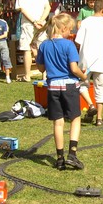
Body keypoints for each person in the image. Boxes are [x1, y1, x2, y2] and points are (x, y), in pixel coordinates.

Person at [36, 13, 89, 170]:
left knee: (58, 123)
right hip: (69, 86)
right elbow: (74, 68)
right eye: (70, 30)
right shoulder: (68, 45)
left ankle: (59, 158)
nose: (70, 33)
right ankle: (72, 155)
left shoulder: (44, 45)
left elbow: (41, 68)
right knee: (75, 118)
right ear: (64, 28)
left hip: (53, 87)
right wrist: (84, 76)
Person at [14, 0, 50, 82]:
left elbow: (22, 10)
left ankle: (27, 75)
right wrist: (41, 20)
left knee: (27, 49)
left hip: (28, 24)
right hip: (41, 24)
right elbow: (47, 7)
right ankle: (45, 75)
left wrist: (34, 22)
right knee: (42, 48)